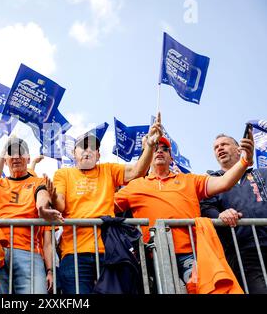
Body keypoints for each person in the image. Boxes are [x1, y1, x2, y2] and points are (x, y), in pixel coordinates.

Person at [115, 131, 255, 288]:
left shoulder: (190, 180)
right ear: (147, 156)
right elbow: (106, 206)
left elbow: (224, 182)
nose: (159, 151)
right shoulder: (134, 186)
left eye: (164, 148)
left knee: (202, 290)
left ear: (171, 157)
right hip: (153, 255)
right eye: (155, 148)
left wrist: (244, 161)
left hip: (191, 254)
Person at [52, 113, 162, 294]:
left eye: (92, 148)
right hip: (74, 253)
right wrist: (53, 195)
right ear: (74, 153)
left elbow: (137, 171)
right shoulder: (63, 174)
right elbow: (60, 205)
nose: (87, 151)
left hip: (109, 250)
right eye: (82, 147)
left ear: (98, 155)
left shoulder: (108, 170)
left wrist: (149, 146)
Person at [0, 135, 60, 294]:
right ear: (5, 159)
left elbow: (41, 197)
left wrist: (42, 209)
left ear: (28, 159)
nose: (16, 157)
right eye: (11, 153)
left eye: (20, 152)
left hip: (28, 253)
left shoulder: (38, 182)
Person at [200, 133, 267, 293]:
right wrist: (219, 216)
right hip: (242, 251)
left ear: (239, 150)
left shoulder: (262, 173)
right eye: (216, 147)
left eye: (224, 144)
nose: (220, 148)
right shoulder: (210, 181)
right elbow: (205, 207)